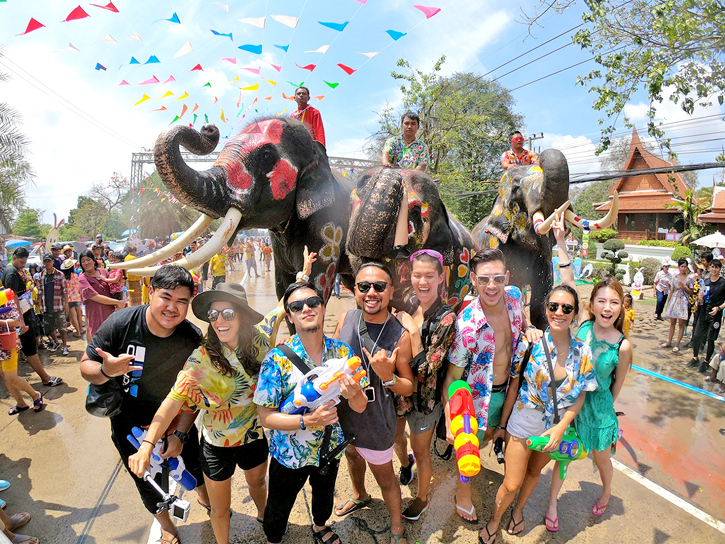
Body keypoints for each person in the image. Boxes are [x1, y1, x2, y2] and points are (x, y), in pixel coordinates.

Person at [129, 282, 284, 544]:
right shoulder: (201, 359)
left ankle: (263, 516)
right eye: (213, 315)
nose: (218, 321)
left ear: (242, 315)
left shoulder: (260, 338)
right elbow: (172, 402)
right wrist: (147, 445)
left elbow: (280, 309)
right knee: (220, 509)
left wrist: (303, 273)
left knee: (257, 485)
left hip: (254, 436)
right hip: (217, 445)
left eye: (227, 314)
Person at [79, 265, 210, 544]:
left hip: (175, 421)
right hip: (129, 424)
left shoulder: (191, 338)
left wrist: (180, 433)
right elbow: (85, 365)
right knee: (145, 479)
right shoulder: (121, 323)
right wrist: (106, 371)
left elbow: (195, 395)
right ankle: (166, 525)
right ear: (149, 293)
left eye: (181, 301)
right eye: (166, 297)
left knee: (195, 465)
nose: (172, 307)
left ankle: (204, 496)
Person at [480, 283, 597, 543]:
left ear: (575, 313)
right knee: (511, 483)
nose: (559, 312)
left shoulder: (583, 352)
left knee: (534, 474)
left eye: (567, 308)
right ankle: (495, 520)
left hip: (554, 430)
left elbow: (581, 395)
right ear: (545, 309)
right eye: (553, 306)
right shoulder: (530, 344)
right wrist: (501, 425)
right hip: (522, 422)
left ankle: (518, 511)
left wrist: (562, 425)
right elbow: (513, 387)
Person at [254, 282, 368, 544]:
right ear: (290, 317)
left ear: (323, 307)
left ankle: (320, 526)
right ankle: (273, 537)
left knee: (324, 495)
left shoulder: (342, 352)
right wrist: (307, 420)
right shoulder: (276, 359)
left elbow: (360, 406)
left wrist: (355, 395)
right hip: (289, 454)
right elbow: (266, 418)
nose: (306, 308)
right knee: (278, 505)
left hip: (329, 448)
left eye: (313, 302)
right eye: (296, 306)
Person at [547, 217, 632, 530]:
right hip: (570, 404)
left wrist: (604, 410)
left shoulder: (623, 346)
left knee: (601, 459)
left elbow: (616, 386)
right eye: (602, 301)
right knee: (562, 456)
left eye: (614, 303)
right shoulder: (581, 322)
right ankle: (553, 503)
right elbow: (568, 282)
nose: (607, 307)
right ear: (593, 305)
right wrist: (559, 242)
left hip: (598, 412)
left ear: (620, 308)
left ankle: (607, 490)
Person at [442, 248, 539, 523]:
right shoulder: (467, 325)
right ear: (473, 279)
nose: (491, 286)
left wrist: (530, 326)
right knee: (470, 447)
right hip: (475, 400)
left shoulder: (515, 297)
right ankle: (462, 492)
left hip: (510, 391)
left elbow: (523, 319)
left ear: (507, 277)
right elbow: (452, 377)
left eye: (497, 278)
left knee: (497, 437)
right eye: (484, 280)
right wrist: (451, 420)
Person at [332, 262, 414, 544]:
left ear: (391, 291)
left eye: (379, 286)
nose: (371, 292)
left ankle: (397, 528)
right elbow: (333, 358)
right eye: (364, 286)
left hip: (377, 418)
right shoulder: (346, 318)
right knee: (352, 455)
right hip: (345, 411)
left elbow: (409, 385)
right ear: (354, 290)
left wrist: (388, 377)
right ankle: (359, 495)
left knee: (386, 477)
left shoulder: (399, 335)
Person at [392, 250, 457, 521]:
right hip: (397, 392)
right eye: (417, 275)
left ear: (441, 278)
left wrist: (415, 333)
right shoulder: (407, 303)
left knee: (422, 451)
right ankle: (405, 464)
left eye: (430, 276)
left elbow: (429, 369)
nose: (423, 282)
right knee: (396, 439)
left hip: (425, 400)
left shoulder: (447, 319)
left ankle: (421, 498)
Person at [1, 248, 62, 386]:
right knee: (30, 348)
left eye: (25, 262)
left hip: (23, 313)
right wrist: (20, 321)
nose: (24, 265)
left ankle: (17, 379)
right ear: (14, 257)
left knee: (27, 348)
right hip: (21, 315)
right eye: (22, 262)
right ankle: (45, 378)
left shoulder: (13, 271)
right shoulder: (11, 273)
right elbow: (13, 297)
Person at [1, 291, 43, 415]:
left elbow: (16, 322)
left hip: (7, 344)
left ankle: (35, 395)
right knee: (5, 376)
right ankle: (20, 403)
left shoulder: (5, 298)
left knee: (11, 377)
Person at [78, 250, 124, 341]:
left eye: (88, 260)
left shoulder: (103, 272)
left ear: (94, 260)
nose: (86, 263)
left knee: (112, 338)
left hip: (110, 311)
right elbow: (95, 297)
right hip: (95, 313)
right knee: (97, 338)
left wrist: (121, 299)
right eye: (83, 261)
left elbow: (115, 286)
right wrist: (117, 302)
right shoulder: (82, 278)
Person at [689, 259, 725, 373]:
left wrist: (719, 308)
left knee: (711, 339)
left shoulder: (723, 283)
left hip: (715, 315)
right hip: (704, 312)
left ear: (720, 269)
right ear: (709, 268)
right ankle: (695, 357)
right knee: (696, 336)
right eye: (712, 267)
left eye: (716, 267)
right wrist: (699, 299)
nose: (714, 269)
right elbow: (700, 297)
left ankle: (706, 361)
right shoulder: (705, 281)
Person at [38, 253, 69, 356]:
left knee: (62, 328)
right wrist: (40, 305)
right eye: (45, 261)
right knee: (48, 328)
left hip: (58, 305)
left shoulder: (60, 275)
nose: (47, 263)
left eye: (49, 261)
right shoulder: (41, 275)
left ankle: (65, 346)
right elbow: (39, 291)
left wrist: (66, 304)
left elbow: (65, 291)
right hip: (47, 306)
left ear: (52, 262)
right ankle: (56, 342)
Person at [661, 258, 694, 353]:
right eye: (682, 266)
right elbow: (671, 291)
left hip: (683, 302)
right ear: (679, 267)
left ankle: (677, 344)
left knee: (681, 324)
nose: (683, 268)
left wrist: (684, 287)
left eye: (685, 266)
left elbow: (692, 292)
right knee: (672, 323)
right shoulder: (674, 278)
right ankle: (669, 341)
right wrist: (668, 304)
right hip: (674, 301)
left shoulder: (690, 278)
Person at [61, 259, 84, 338]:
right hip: (77, 297)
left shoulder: (64, 278)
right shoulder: (75, 275)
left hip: (69, 299)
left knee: (74, 316)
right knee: (79, 315)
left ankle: (78, 332)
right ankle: (81, 329)